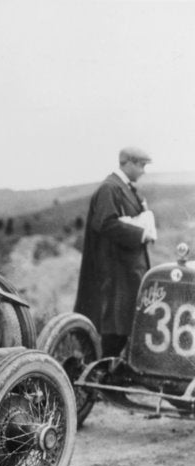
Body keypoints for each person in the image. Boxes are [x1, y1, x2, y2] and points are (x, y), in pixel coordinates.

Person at [74, 146, 156, 357]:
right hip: (114, 274)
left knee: (122, 328)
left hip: (126, 272)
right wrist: (141, 234)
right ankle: (99, 379)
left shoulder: (126, 188)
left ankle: (107, 377)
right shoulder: (109, 189)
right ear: (127, 162)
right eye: (141, 165)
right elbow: (106, 223)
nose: (144, 171)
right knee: (113, 330)